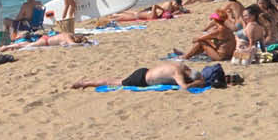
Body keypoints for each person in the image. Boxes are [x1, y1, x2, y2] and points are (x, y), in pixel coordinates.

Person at [71, 61, 199, 91]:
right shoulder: (178, 74)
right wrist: (197, 83)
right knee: (116, 82)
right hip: (142, 79)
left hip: (144, 71)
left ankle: (86, 82)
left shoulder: (181, 65)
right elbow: (184, 87)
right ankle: (85, 83)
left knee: (117, 80)